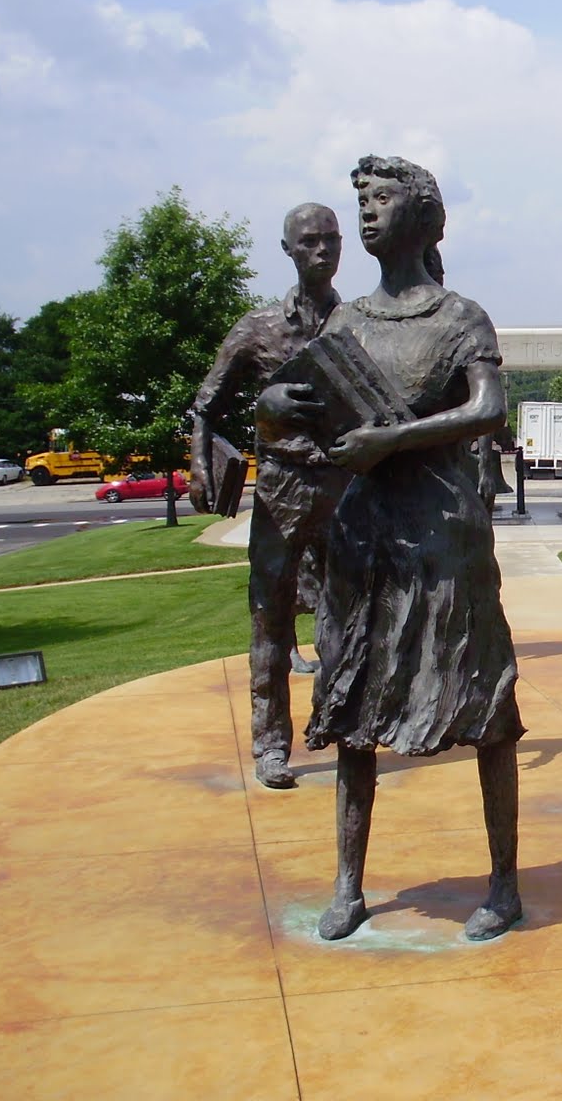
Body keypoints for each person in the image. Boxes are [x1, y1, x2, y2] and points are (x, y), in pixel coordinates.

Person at [301, 155, 523, 942]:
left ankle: (504, 884)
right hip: (367, 535)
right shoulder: (346, 319)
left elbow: (490, 408)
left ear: (423, 217)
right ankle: (349, 884)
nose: (365, 211)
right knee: (354, 699)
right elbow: (313, 416)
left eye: (383, 198)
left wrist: (396, 436)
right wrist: (279, 409)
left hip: (443, 533)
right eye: (359, 198)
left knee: (485, 703)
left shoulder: (460, 315)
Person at [189, 202, 351, 789]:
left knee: (349, 610)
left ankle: (340, 724)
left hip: (345, 482)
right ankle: (270, 745)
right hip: (281, 484)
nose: (324, 251)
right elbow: (206, 404)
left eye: (331, 240)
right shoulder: (257, 327)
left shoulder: (358, 322)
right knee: (270, 615)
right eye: (310, 242)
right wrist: (204, 459)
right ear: (288, 249)